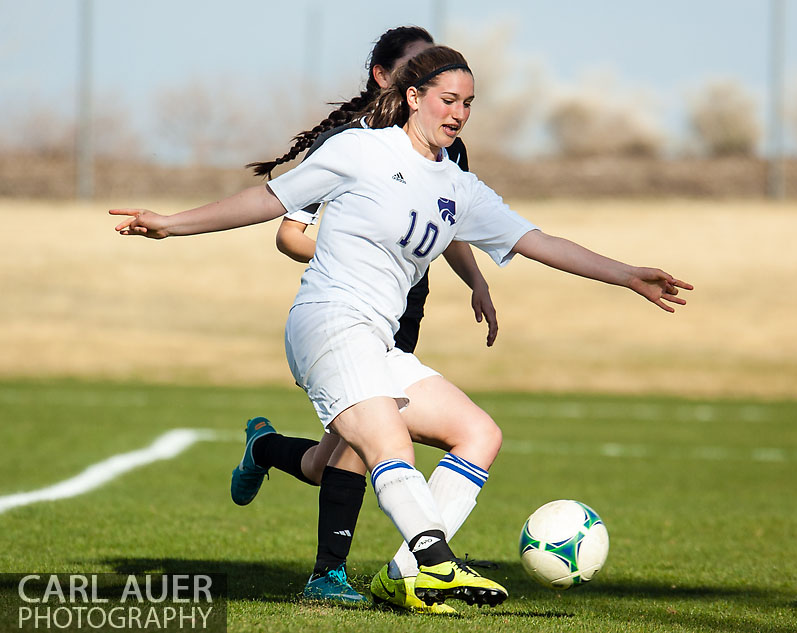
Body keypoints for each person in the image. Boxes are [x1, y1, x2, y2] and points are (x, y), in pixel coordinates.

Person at [110, 45, 692, 611]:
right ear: (413, 97)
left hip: (377, 342)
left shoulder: (458, 187)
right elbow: (269, 201)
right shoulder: (360, 151)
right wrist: (171, 224)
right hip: (328, 323)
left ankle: (403, 576)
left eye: (468, 102)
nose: (458, 112)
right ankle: (436, 559)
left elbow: (537, 241)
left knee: (478, 434)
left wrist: (625, 275)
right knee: (388, 443)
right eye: (446, 98)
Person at [229, 27, 502, 612]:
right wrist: (363, 243)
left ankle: (265, 448)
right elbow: (289, 232)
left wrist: (475, 278)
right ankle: (339, 572)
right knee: (371, 442)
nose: (450, 106)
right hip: (348, 308)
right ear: (387, 78)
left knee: (326, 459)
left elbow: (443, 215)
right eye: (415, 71)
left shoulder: (445, 145)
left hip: (402, 310)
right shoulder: (346, 143)